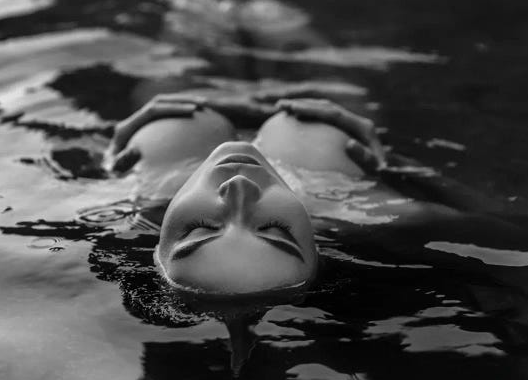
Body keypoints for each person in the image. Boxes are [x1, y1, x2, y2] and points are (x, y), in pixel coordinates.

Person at [104, 87, 485, 298]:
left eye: (202, 229)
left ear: (158, 247)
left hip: (189, 90)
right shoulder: (363, 208)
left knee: (191, 29)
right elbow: (524, 229)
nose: (239, 190)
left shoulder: (132, 193)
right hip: (313, 94)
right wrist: (393, 167)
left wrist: (105, 168)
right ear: (316, 247)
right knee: (273, 20)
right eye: (273, 230)